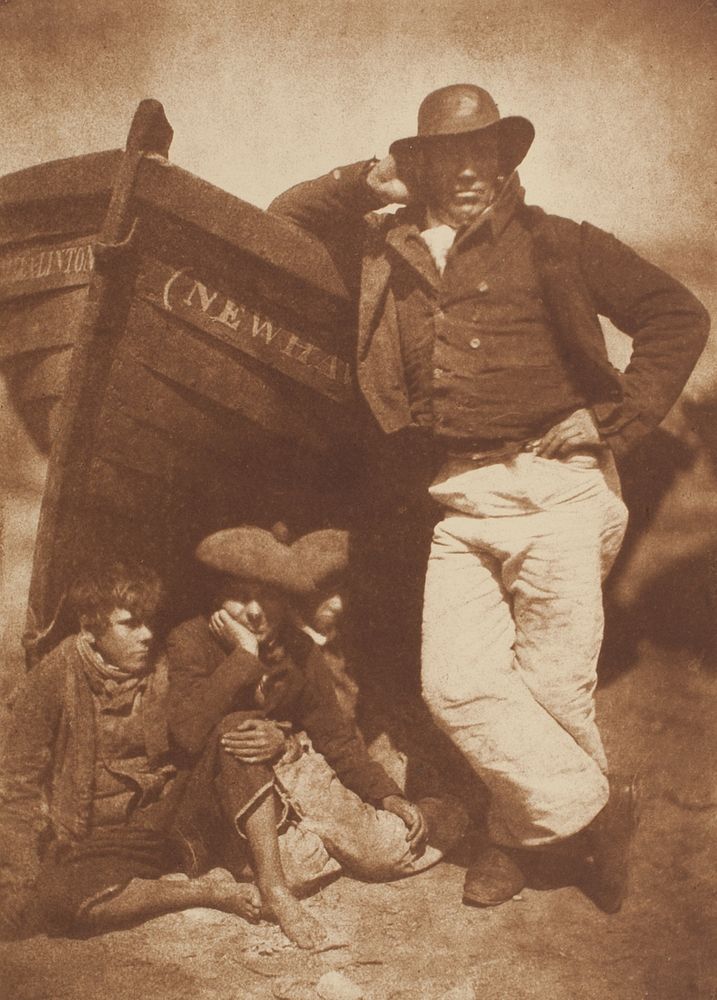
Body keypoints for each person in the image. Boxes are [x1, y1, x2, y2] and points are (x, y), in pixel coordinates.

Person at [269, 84, 710, 911]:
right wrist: (362, 181)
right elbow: (284, 222)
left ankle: (516, 842)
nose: (470, 169)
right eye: (449, 155)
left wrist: (611, 420)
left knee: (551, 684)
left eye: (485, 153)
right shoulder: (384, 246)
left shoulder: (560, 242)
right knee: (458, 685)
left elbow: (674, 315)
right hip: (460, 494)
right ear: (421, 166)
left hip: (558, 490)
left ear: (505, 161)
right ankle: (591, 814)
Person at [166, 526, 465, 949]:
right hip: (220, 793)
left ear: (286, 601)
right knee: (291, 859)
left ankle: (442, 810)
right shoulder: (190, 640)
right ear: (217, 599)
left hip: (290, 775)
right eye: (238, 595)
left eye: (266, 595)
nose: (253, 611)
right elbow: (186, 735)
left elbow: (337, 737)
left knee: (384, 853)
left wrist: (386, 796)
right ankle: (281, 882)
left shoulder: (297, 649)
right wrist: (244, 656)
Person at [0, 561, 261, 939]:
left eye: (150, 622)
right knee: (58, 899)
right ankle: (200, 891)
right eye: (130, 624)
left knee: (228, 731)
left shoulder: (165, 664)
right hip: (93, 836)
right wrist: (18, 880)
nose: (147, 635)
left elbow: (213, 715)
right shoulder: (57, 674)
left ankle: (203, 879)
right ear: (91, 629)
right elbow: (18, 785)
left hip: (165, 819)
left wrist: (250, 670)